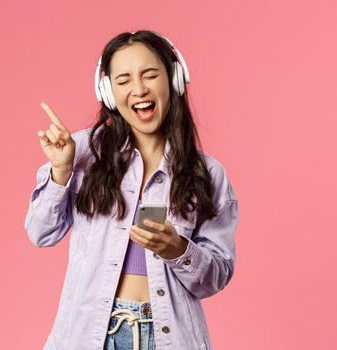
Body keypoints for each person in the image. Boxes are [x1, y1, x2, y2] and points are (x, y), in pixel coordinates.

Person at [24, 30, 239, 350]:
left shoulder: (207, 174)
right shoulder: (81, 151)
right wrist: (61, 171)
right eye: (123, 80)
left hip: (169, 339)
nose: (138, 89)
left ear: (174, 80)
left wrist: (179, 250)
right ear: (108, 91)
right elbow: (41, 233)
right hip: (90, 337)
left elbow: (216, 277)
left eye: (150, 75)